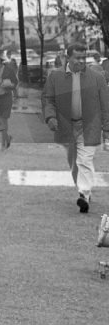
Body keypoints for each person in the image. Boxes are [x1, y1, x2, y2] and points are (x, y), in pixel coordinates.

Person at [41, 43, 109, 213]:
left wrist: (107, 129)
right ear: (67, 57)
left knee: (84, 160)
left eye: (83, 57)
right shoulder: (55, 77)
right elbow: (48, 99)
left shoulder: (97, 78)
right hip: (66, 126)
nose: (80, 61)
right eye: (77, 57)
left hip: (90, 125)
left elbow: (105, 105)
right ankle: (83, 190)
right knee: (74, 164)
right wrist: (50, 117)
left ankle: (84, 194)